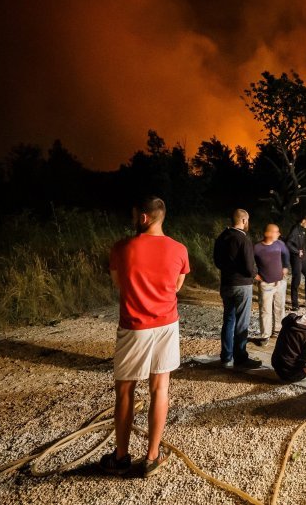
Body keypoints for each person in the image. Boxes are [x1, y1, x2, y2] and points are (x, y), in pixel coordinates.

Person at [102, 196, 189, 477]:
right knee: (160, 387)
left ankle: (121, 455)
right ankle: (152, 456)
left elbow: (119, 284)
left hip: (134, 326)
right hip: (167, 325)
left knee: (125, 390)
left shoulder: (122, 247)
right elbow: (176, 287)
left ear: (143, 218)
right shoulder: (179, 249)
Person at [212, 209, 261, 369]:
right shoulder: (243, 239)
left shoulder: (222, 237)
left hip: (226, 283)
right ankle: (241, 357)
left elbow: (217, 261)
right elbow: (248, 266)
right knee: (242, 322)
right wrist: (255, 273)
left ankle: (226, 358)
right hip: (242, 285)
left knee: (229, 320)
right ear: (244, 220)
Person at [252, 223, 290, 346]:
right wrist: (255, 275)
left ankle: (278, 330)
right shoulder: (257, 248)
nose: (279, 234)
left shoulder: (280, 244)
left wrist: (285, 267)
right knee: (265, 310)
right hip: (266, 284)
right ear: (267, 233)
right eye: (276, 231)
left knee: (280, 307)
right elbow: (248, 261)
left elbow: (286, 254)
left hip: (280, 282)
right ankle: (265, 335)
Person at [287, 215, 306, 310]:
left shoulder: (303, 229)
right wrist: (296, 251)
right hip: (296, 258)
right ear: (303, 220)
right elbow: (288, 243)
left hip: (303, 258)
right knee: (297, 280)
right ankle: (295, 304)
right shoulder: (295, 229)